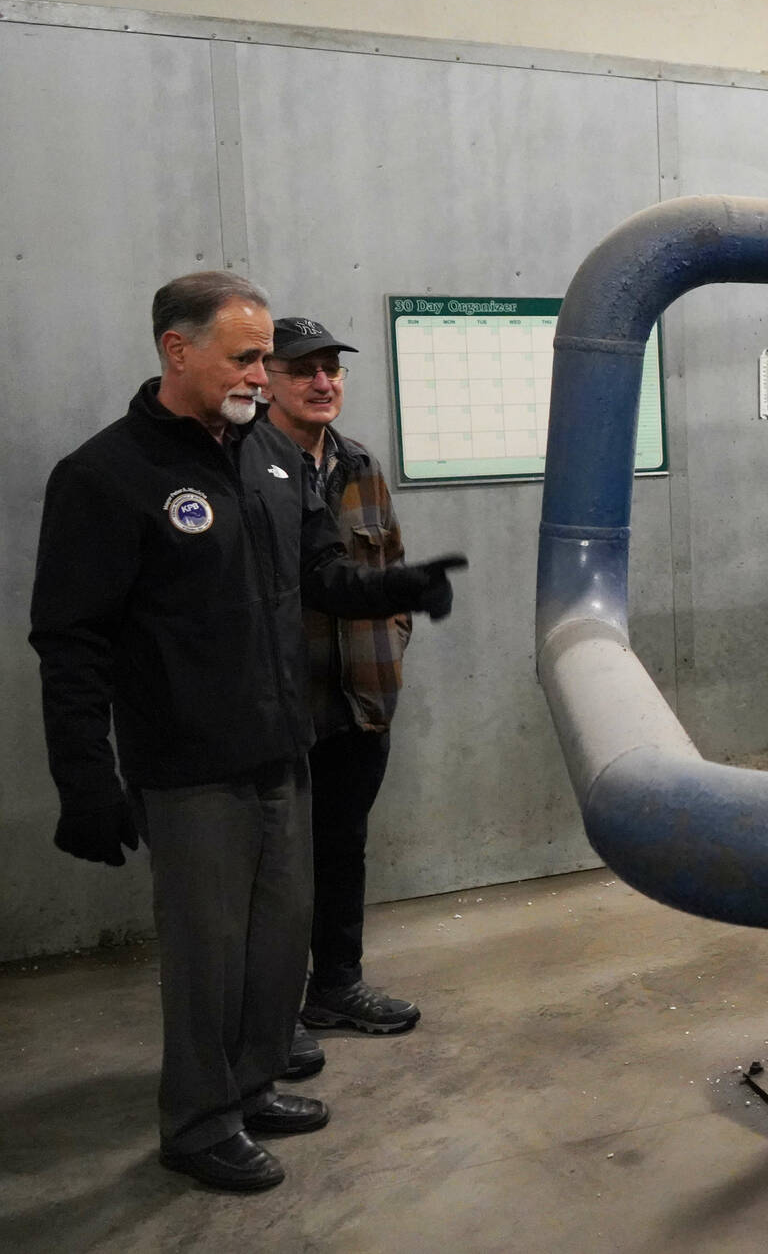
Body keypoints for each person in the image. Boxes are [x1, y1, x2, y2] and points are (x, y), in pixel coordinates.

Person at [29, 271, 466, 1193]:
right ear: (176, 350)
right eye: (246, 355)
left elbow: (320, 573)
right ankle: (196, 1121)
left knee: (278, 941)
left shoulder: (267, 461)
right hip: (190, 769)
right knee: (208, 955)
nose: (263, 373)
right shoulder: (105, 477)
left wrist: (394, 586)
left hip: (285, 747)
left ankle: (252, 1083)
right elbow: (71, 645)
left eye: (265, 355)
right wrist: (86, 778)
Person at [262, 318, 422, 1073]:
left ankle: (336, 985)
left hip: (359, 699)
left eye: (331, 369)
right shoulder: (242, 466)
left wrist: (391, 637)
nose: (323, 382)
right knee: (273, 867)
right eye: (304, 370)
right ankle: (268, 1015)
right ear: (265, 378)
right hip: (279, 709)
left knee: (341, 849)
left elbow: (389, 560)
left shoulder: (359, 463)